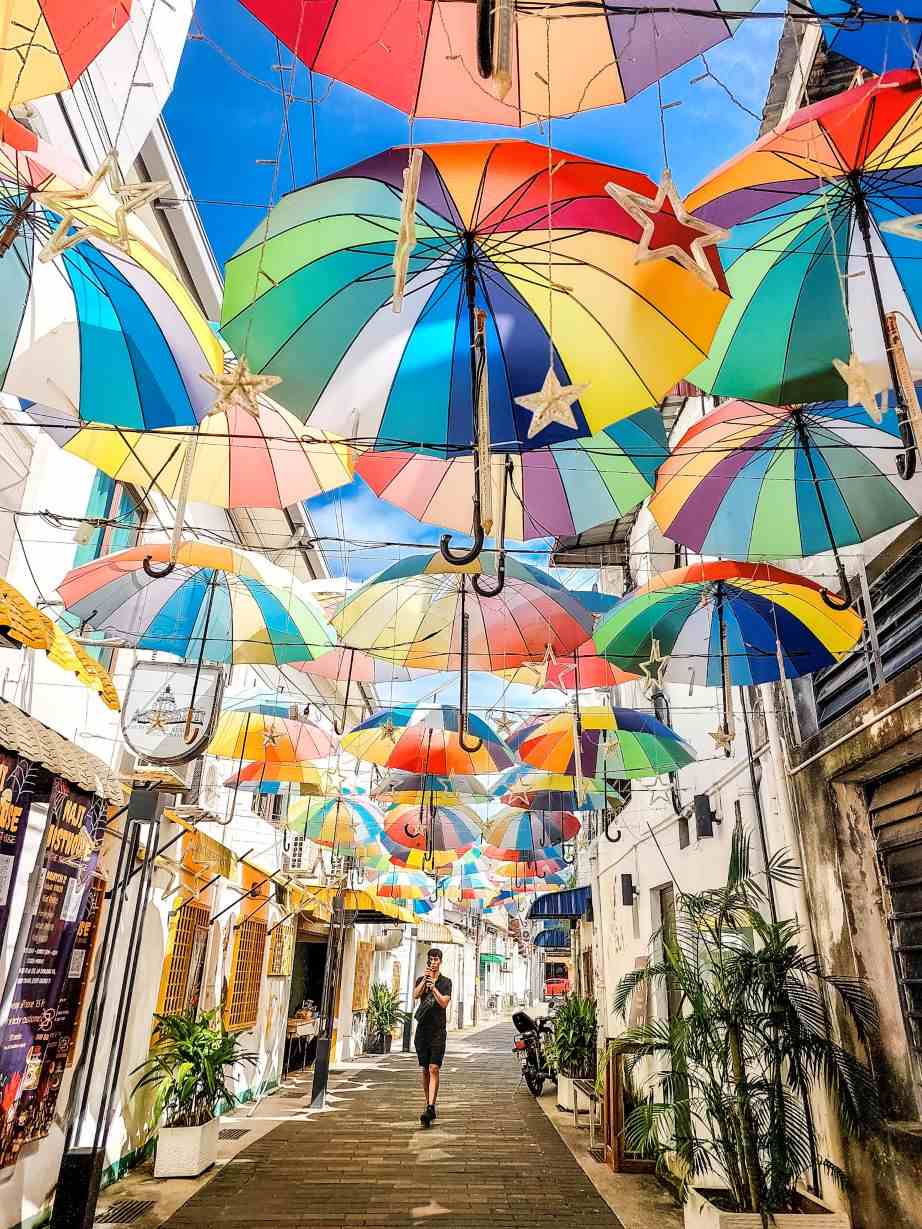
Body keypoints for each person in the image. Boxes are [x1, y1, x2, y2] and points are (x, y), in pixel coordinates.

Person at [412, 947, 452, 1127]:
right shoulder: (422, 979)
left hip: (438, 1032)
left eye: (436, 959)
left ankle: (430, 1106)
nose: (433, 962)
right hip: (422, 1031)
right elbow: (415, 995)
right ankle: (429, 1104)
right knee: (425, 1070)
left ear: (440, 961)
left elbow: (444, 1003)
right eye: (431, 959)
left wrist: (434, 987)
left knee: (434, 1067)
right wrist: (425, 981)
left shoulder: (446, 982)